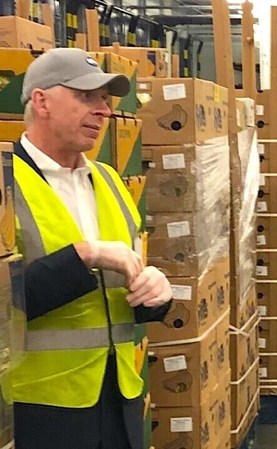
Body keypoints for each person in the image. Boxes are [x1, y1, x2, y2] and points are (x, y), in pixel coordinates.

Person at [9, 48, 174, 449]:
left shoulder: (110, 181)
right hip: (41, 407)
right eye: (86, 97)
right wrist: (83, 256)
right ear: (41, 102)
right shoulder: (4, 183)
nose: (103, 110)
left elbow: (125, 290)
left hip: (118, 400)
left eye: (104, 99)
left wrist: (157, 293)